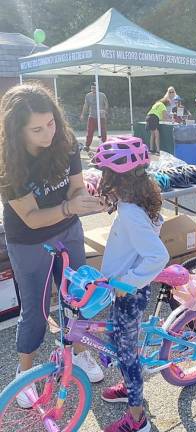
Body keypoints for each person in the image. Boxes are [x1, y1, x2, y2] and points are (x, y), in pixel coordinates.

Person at [0, 83, 105, 408]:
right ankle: (25, 371)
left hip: (68, 231)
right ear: (18, 131)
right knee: (36, 310)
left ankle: (81, 354)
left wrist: (84, 201)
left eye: (51, 123)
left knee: (79, 296)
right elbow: (31, 217)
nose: (47, 134)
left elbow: (74, 188)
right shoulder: (8, 164)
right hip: (28, 241)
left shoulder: (66, 142)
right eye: (37, 129)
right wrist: (69, 208)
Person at [92, 136, 169, 432]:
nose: (102, 179)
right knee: (118, 340)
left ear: (116, 178)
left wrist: (127, 282)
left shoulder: (131, 213)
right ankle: (128, 385)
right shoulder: (132, 202)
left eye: (105, 174)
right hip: (124, 290)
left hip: (128, 292)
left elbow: (157, 255)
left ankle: (138, 420)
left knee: (128, 356)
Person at [80, 82, 109, 152]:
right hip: (92, 116)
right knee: (90, 131)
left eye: (95, 88)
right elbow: (86, 105)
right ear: (91, 88)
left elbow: (106, 104)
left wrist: (104, 110)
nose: (93, 89)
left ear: (97, 88)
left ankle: (104, 145)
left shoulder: (102, 95)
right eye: (92, 88)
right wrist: (82, 114)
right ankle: (87, 146)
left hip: (101, 116)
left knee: (103, 131)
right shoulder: (88, 95)